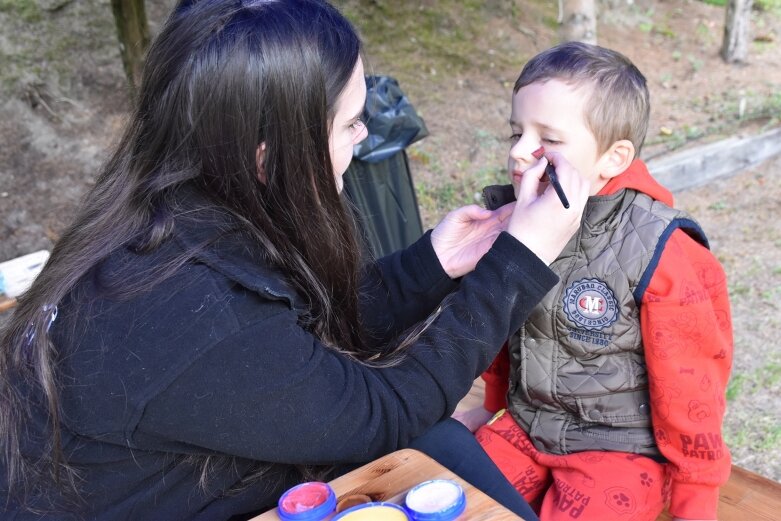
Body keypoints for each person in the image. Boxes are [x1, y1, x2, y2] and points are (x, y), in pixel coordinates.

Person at [0, 1, 590, 519]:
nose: (364, 137)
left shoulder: (177, 210)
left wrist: (431, 264)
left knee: (447, 448)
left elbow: (288, 348)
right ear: (268, 155)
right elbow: (384, 414)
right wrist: (519, 262)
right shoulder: (189, 313)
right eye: (351, 122)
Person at [454, 41, 733, 521]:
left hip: (619, 447)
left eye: (550, 140)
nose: (520, 153)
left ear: (612, 158)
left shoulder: (659, 250)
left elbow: (693, 386)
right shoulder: (517, 218)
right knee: (454, 501)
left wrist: (696, 497)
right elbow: (501, 320)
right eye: (516, 132)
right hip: (527, 424)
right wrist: (494, 404)